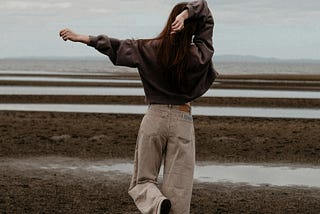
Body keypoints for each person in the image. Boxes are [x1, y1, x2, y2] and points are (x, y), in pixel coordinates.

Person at [59, 0, 217, 213]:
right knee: (179, 188)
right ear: (193, 28)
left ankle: (157, 203)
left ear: (171, 22)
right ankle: (166, 205)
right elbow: (205, 12)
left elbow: (115, 47)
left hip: (155, 117)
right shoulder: (198, 55)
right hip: (183, 119)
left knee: (142, 181)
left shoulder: (149, 48)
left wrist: (83, 38)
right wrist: (188, 14)